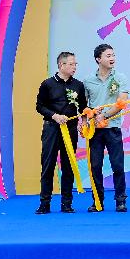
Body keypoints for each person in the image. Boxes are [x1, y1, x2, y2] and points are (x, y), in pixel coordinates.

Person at [35, 51, 88, 214]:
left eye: (75, 64)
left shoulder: (78, 85)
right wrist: (55, 116)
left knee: (68, 165)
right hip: (52, 128)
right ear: (61, 65)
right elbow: (39, 106)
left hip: (70, 129)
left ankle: (67, 203)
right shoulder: (47, 84)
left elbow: (83, 107)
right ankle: (45, 203)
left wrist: (84, 121)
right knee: (48, 165)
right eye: (71, 64)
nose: (74, 67)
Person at [83, 43, 129, 212]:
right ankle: (97, 201)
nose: (112, 58)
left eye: (113, 55)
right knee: (95, 167)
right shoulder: (88, 80)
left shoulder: (120, 77)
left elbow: (121, 102)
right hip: (95, 130)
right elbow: (84, 106)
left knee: (117, 165)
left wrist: (105, 115)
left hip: (112, 128)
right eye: (108, 56)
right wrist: (85, 121)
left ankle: (120, 201)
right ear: (98, 59)